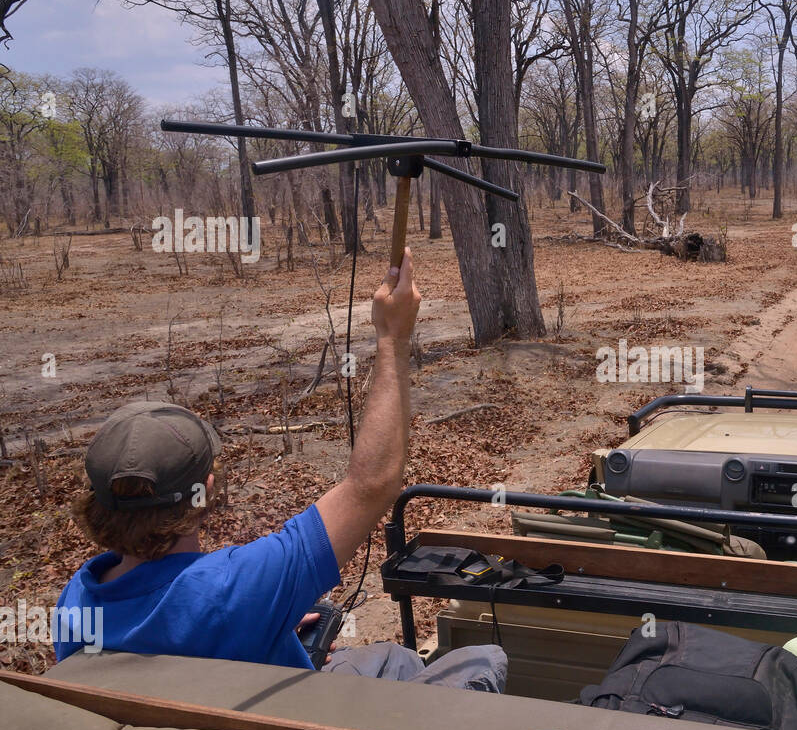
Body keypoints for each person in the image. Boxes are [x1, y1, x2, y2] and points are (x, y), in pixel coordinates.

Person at [55, 250, 505, 691]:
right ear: (206, 493)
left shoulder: (77, 600)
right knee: (483, 658)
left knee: (397, 658)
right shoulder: (237, 586)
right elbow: (372, 486)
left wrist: (269, 617)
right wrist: (393, 338)